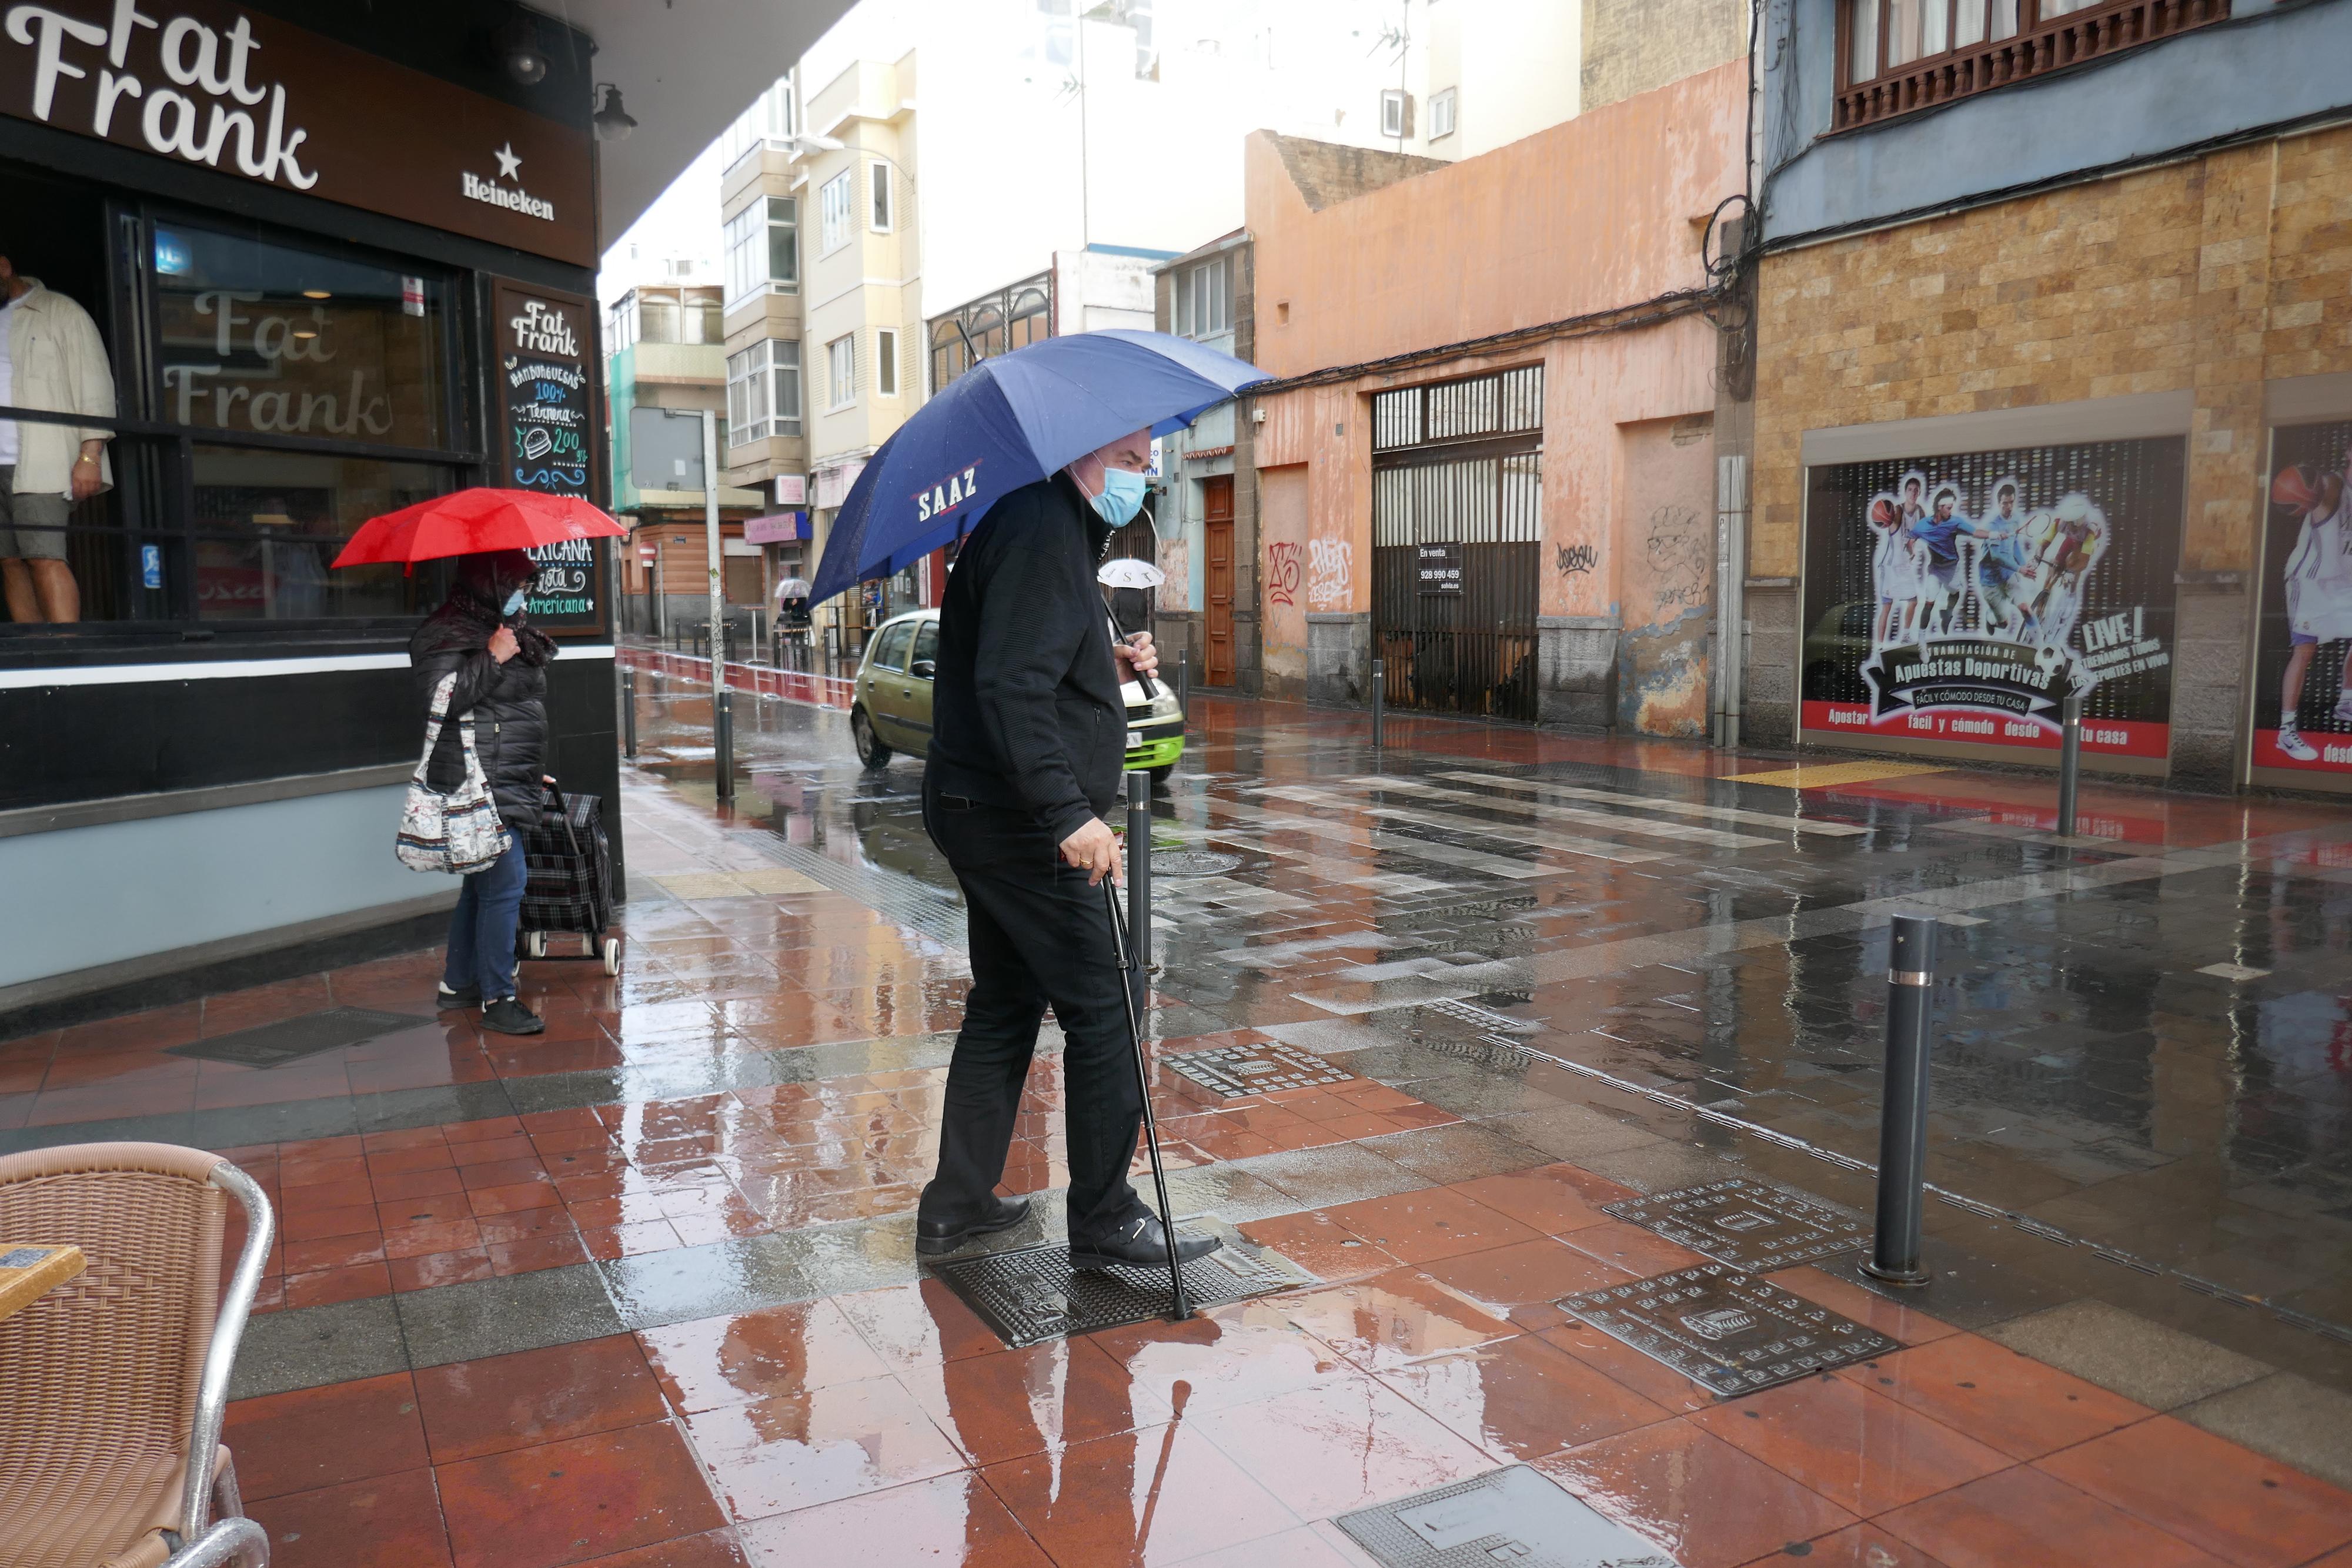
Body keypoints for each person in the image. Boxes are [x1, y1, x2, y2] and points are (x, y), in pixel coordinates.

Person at [917, 427, 1221, 1273]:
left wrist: (1110, 663)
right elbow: (1011, 686)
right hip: (1019, 818)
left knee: (1007, 1001)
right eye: (1130, 461)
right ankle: (1106, 1214)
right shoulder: (1044, 527)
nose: (1145, 476)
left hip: (985, 805)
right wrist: (1067, 813)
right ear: (1081, 456)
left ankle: (958, 1203)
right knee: (1107, 1003)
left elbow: (1033, 665)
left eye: (1148, 462)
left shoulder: (1045, 526)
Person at [411, 550, 555, 1035]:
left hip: (507, 774)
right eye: (513, 583)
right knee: (506, 883)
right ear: (484, 584)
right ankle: (499, 998)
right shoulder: (446, 633)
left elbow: (512, 714)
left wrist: (531, 772)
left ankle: (458, 984)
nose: (522, 594)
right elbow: (440, 701)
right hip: (477, 778)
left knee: (482, 883)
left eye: (525, 584)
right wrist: (492, 657)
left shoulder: (506, 627)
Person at [0, 253, 114, 625]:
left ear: (4, 268)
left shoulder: (61, 311)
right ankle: (35, 653)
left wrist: (90, 455)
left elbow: (95, 385)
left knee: (45, 555)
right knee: (10, 562)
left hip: (40, 461)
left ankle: (67, 654)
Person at [2271, 462, 2352, 761]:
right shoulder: (2332, 486)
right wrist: (2307, 491)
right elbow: (2322, 490)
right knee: (2305, 652)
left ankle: (2347, 700)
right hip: (2310, 580)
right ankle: (2287, 731)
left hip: (2343, 582)